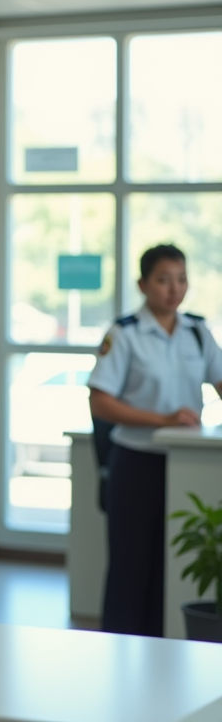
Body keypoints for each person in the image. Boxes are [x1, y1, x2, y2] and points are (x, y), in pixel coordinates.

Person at [88, 243, 222, 637]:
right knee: (132, 565)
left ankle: (166, 647)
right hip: (137, 461)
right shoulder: (124, 334)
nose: (174, 289)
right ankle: (120, 646)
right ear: (143, 284)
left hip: (188, 465)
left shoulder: (197, 331)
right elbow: (100, 402)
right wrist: (161, 419)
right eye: (163, 280)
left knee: (175, 562)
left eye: (181, 279)